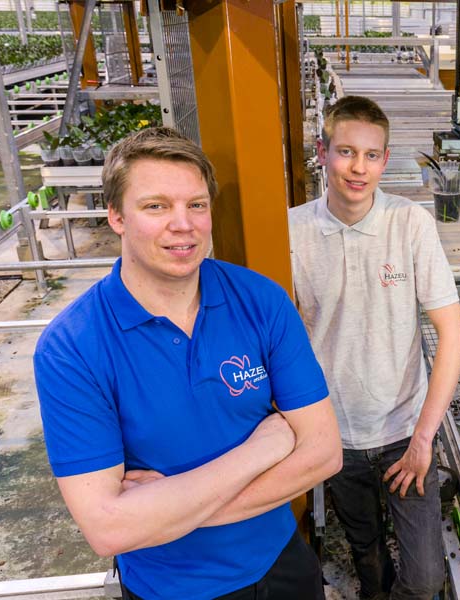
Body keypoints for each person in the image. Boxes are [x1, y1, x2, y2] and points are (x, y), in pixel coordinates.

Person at [33, 127, 342, 600]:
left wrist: (165, 512)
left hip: (281, 564)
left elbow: (323, 453)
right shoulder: (71, 347)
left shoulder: (260, 300)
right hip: (169, 587)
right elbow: (108, 530)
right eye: (156, 206)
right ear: (116, 216)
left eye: (196, 204)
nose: (183, 224)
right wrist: (265, 447)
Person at [288, 96, 460, 600]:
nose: (358, 168)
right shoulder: (292, 231)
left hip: (404, 431)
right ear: (322, 152)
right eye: (346, 152)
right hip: (335, 433)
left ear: (385, 160)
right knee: (365, 550)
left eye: (371, 155)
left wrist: (424, 438)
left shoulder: (409, 223)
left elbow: (453, 336)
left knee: (425, 578)